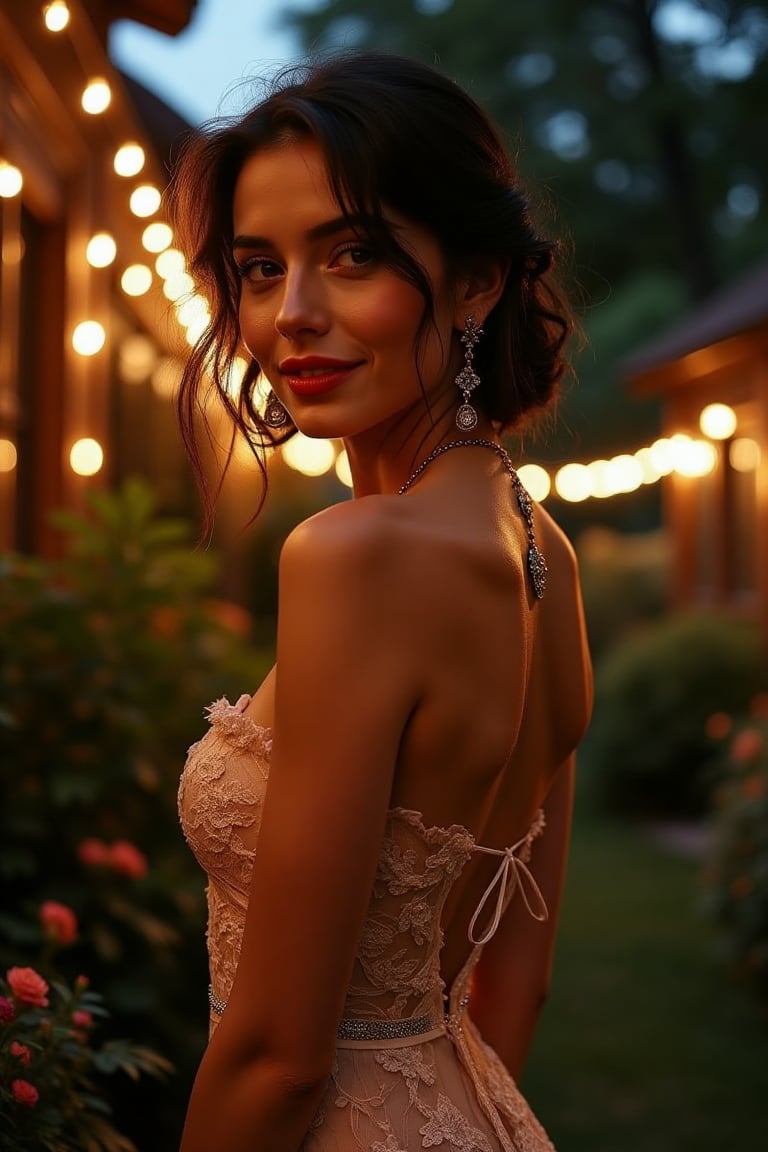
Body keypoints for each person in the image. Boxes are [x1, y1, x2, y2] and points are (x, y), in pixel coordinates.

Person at [173, 50, 592, 1152]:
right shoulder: (541, 545)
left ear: (477, 278)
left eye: (353, 254)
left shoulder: (353, 557)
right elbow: (516, 986)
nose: (292, 314)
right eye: (259, 269)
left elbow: (277, 1060)